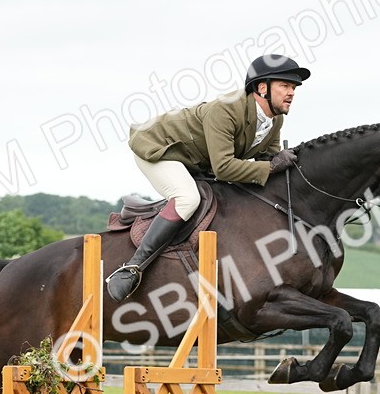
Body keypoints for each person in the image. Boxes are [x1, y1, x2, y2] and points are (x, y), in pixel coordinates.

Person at [106, 53, 310, 301]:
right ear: (262, 87)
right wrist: (269, 168)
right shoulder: (226, 110)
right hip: (159, 148)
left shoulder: (274, 120)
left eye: (294, 87)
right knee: (187, 198)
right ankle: (132, 268)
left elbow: (270, 157)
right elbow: (224, 168)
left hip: (196, 159)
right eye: (285, 85)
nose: (292, 92)